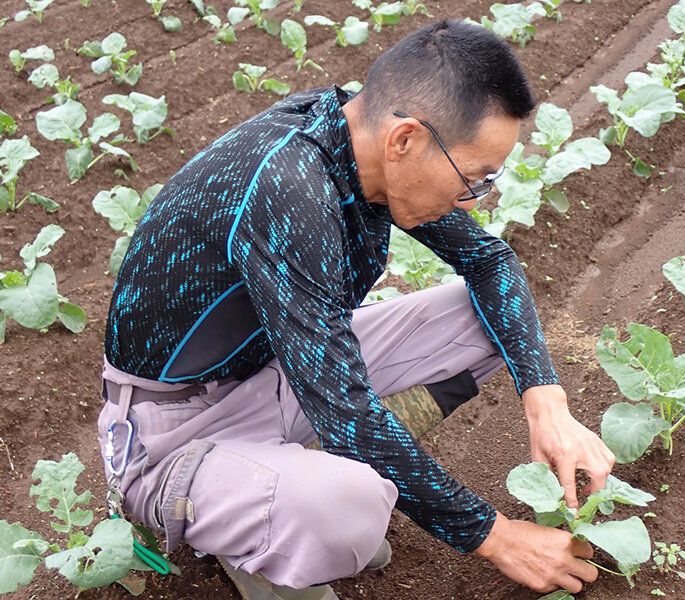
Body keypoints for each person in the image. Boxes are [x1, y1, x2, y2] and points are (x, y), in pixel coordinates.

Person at [98, 18, 615, 600]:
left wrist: (545, 401)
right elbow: (348, 416)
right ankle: (269, 524)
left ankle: (279, 484)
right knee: (349, 508)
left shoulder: (361, 144)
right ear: (405, 140)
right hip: (169, 432)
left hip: (279, 375)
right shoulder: (289, 185)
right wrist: (494, 536)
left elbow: (491, 264)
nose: (470, 198)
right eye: (472, 179)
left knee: (485, 320)